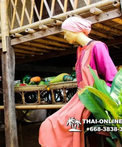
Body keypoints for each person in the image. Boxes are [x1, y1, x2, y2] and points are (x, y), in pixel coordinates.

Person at [39, 16, 117, 147]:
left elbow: (112, 78)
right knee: (49, 124)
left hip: (94, 100)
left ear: (74, 30)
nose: (64, 37)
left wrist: (103, 104)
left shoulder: (98, 47)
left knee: (60, 124)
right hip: (80, 98)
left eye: (65, 32)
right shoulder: (80, 50)